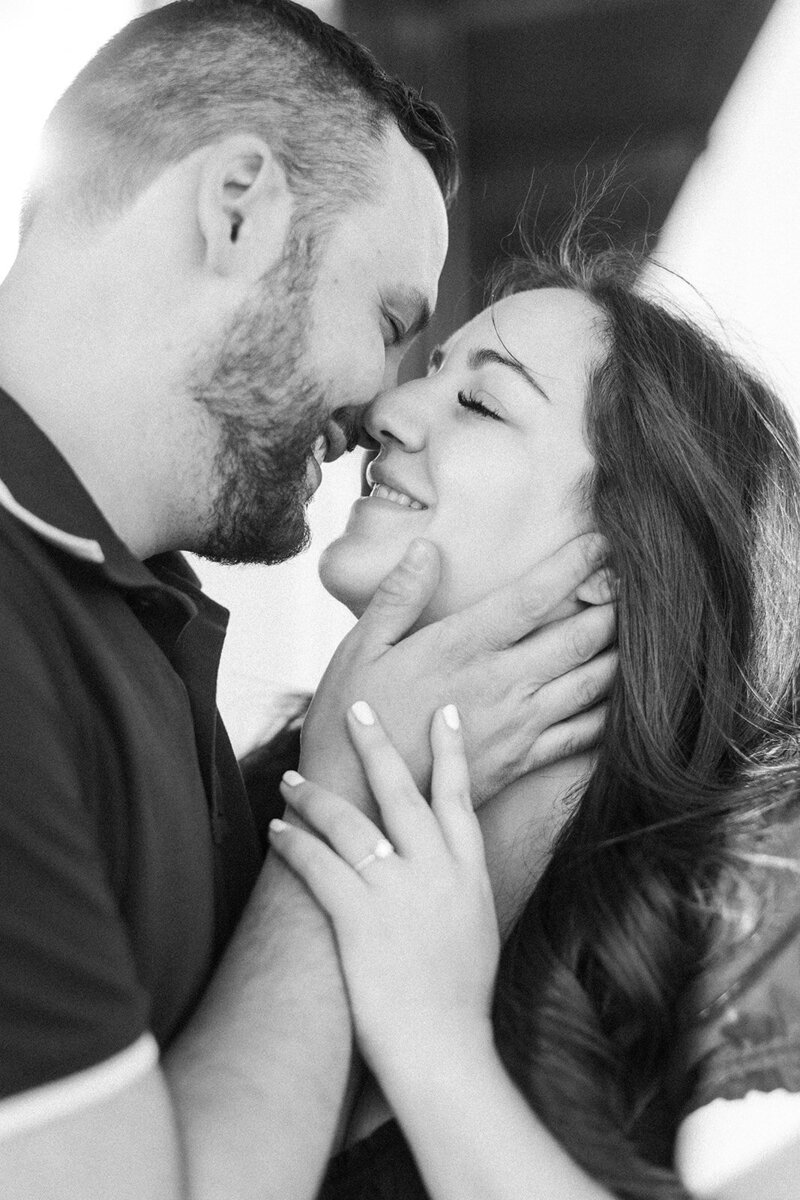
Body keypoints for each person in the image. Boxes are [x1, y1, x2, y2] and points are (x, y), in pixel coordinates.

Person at [0, 4, 617, 1198]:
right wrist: (345, 808)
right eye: (390, 322)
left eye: (475, 396)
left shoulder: (132, 614)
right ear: (237, 209)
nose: (383, 404)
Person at [267, 242, 800, 1199]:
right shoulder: (248, 809)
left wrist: (434, 1038)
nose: (388, 409)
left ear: (615, 562)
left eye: (480, 402)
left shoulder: (762, 903)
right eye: (430, 369)